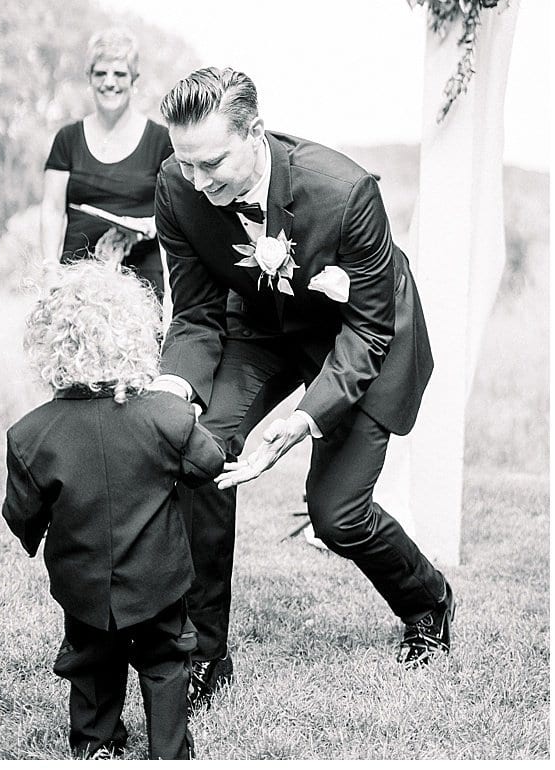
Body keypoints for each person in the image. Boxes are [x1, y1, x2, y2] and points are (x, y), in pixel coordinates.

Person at [152, 67, 454, 711]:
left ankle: (427, 601)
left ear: (253, 133)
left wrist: (302, 420)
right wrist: (173, 387)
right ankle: (206, 653)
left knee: (337, 515)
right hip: (261, 330)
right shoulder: (178, 188)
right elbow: (197, 313)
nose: (198, 183)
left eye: (212, 164)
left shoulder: (344, 192)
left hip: (355, 337)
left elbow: (371, 330)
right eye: (187, 164)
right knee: (198, 451)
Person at [3, 261, 227, 760]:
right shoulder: (167, 417)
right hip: (159, 580)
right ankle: (169, 751)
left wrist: (34, 531)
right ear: (136, 336)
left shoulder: (30, 434)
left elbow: (22, 514)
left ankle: (96, 745)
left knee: (90, 663)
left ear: (51, 347)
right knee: (167, 661)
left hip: (84, 587)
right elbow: (209, 463)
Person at [39, 28, 172, 296]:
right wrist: (51, 268)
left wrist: (148, 227)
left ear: (134, 79)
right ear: (89, 77)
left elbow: (179, 209)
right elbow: (52, 209)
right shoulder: (67, 138)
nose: (109, 82)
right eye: (100, 73)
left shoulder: (161, 140)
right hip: (76, 278)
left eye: (120, 74)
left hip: (139, 282)